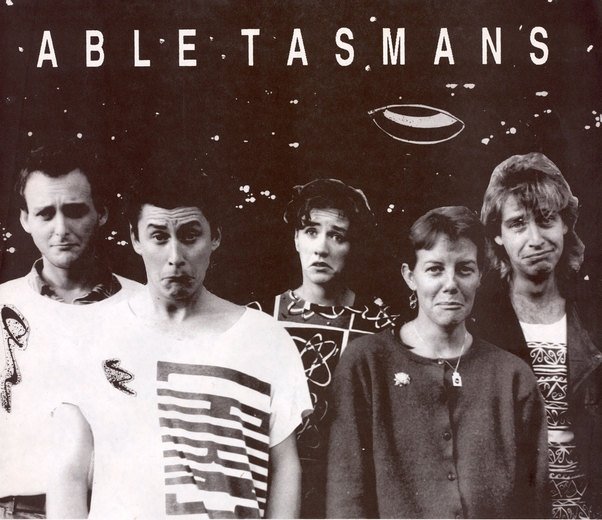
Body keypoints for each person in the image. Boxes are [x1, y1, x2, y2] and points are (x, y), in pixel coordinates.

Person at [46, 159, 312, 519]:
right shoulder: (93, 333)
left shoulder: (265, 338)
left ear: (215, 237)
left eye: (190, 236)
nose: (175, 257)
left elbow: (285, 468)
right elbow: (69, 472)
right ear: (135, 239)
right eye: (159, 236)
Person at [326, 206, 549, 519]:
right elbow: (346, 499)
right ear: (410, 276)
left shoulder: (512, 376)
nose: (450, 283)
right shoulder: (366, 363)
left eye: (465, 269)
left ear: (480, 276)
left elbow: (535, 502)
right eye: (434, 269)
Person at [0, 140, 140, 517]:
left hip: (119, 508)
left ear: (102, 213)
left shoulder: (147, 307)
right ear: (25, 220)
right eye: (45, 214)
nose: (61, 229)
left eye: (75, 211)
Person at [250, 178, 398, 518]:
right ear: (296, 239)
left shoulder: (380, 327)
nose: (321, 248)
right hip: (272, 492)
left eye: (337, 236)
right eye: (311, 232)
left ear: (352, 245)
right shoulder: (259, 319)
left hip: (352, 498)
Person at [476, 152, 602, 518]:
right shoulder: (478, 324)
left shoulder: (593, 316)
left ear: (565, 225)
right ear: (498, 235)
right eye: (517, 223)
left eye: (546, 219)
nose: (535, 239)